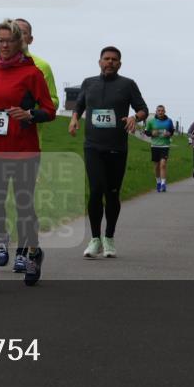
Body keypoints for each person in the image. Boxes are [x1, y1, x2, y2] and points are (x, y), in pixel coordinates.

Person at [0, 19, 56, 288]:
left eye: (9, 40)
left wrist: (30, 114)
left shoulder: (32, 74)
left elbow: (50, 110)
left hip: (23, 150)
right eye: (0, 40)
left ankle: (32, 254)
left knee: (23, 206)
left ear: (20, 42)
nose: (4, 45)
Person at [69, 47, 148, 259]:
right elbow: (80, 104)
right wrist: (75, 117)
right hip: (93, 146)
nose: (110, 62)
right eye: (106, 59)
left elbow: (143, 109)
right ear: (99, 62)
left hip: (117, 147)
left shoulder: (127, 84)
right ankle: (95, 239)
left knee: (112, 194)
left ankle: (109, 237)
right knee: (95, 190)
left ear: (119, 64)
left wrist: (135, 118)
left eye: (114, 60)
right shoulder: (89, 83)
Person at [144, 105, 174, 191]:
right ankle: (158, 182)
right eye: (159, 111)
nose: (160, 112)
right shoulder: (151, 121)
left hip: (165, 145)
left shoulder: (169, 121)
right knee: (156, 166)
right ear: (156, 112)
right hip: (155, 146)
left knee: (163, 164)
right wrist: (152, 133)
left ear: (165, 111)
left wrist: (168, 134)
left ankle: (163, 184)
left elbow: (172, 131)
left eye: (162, 111)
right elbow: (146, 131)